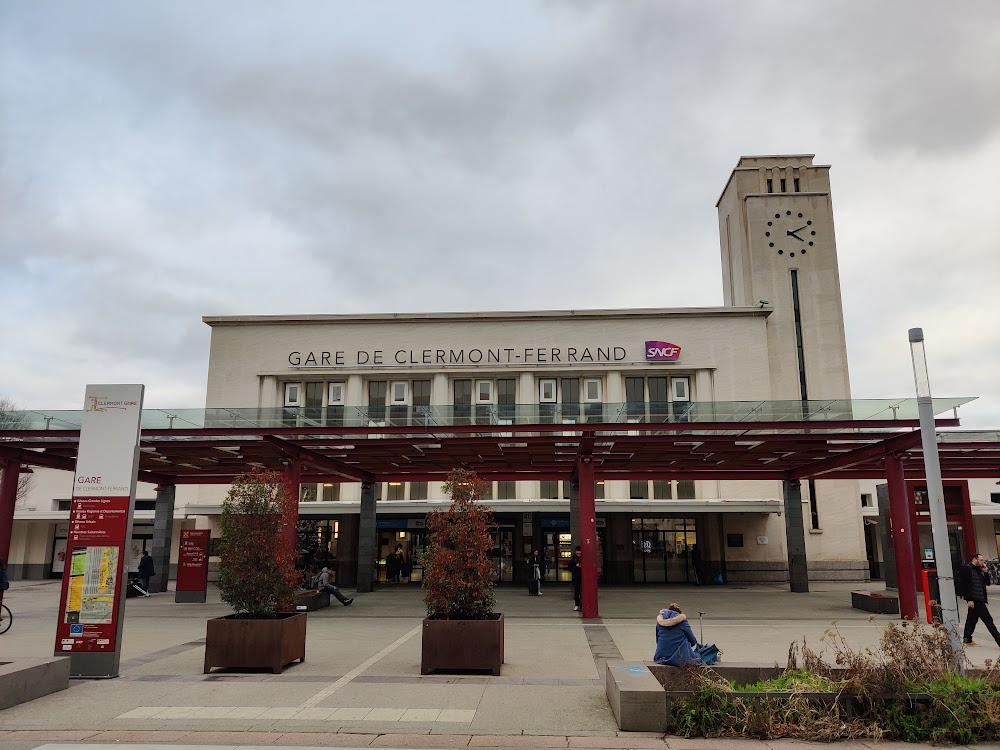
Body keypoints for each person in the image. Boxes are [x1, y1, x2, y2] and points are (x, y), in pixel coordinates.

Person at [957, 552, 1000, 646]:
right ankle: (998, 640)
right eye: (980, 560)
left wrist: (986, 572)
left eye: (983, 560)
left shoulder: (979, 570)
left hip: (980, 598)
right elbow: (965, 585)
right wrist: (969, 599)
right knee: (988, 620)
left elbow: (987, 583)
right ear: (974, 559)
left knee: (972, 619)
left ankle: (967, 638)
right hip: (975, 599)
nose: (982, 562)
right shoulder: (967, 570)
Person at [653, 602, 703, 666]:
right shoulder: (682, 622)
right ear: (679, 613)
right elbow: (692, 640)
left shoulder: (660, 622)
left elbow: (658, 639)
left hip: (661, 657)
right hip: (679, 658)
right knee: (698, 657)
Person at [567, 546, 582, 611]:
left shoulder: (584, 558)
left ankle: (582, 604)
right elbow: (570, 568)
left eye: (580, 553)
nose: (578, 555)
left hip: (583, 578)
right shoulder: (573, 559)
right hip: (576, 578)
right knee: (576, 592)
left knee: (583, 592)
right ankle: (577, 604)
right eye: (577, 553)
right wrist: (576, 566)